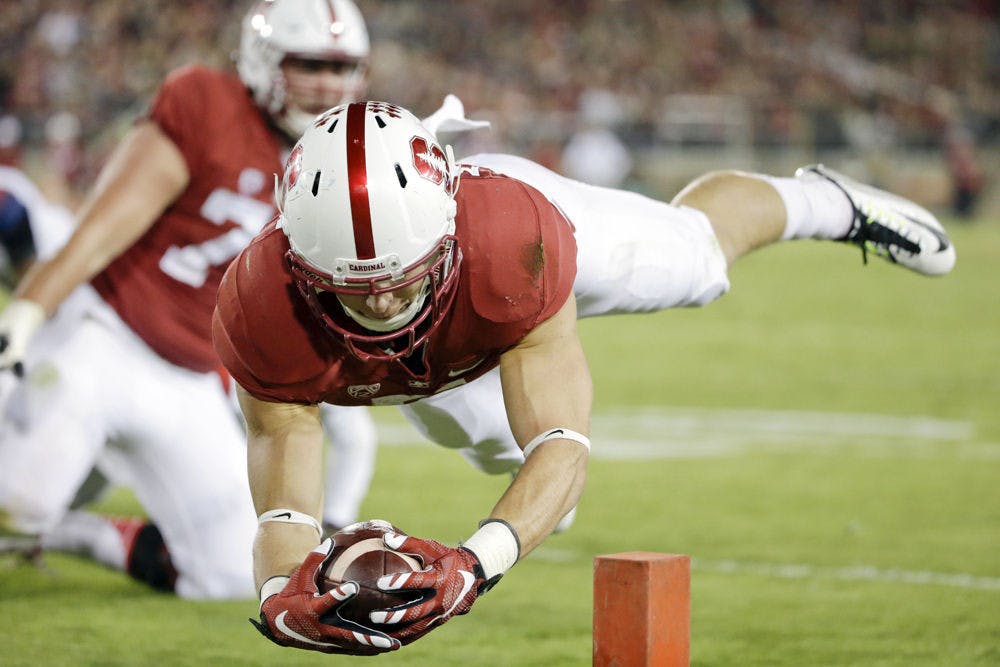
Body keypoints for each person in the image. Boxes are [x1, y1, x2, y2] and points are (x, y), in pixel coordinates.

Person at [212, 101, 955, 653]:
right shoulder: (260, 304)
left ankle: (828, 202)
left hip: (516, 273)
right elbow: (286, 504)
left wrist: (475, 565)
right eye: (351, 285)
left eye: (400, 279)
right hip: (433, 372)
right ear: (298, 263)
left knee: (691, 261)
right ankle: (517, 494)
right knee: (488, 451)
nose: (379, 299)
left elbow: (564, 440)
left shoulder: (511, 241)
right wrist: (282, 595)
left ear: (441, 234)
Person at [0, 0, 379, 599]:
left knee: (235, 571)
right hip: (103, 335)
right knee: (15, 504)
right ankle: (32, 522)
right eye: (309, 64)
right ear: (264, 60)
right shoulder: (206, 102)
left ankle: (71, 536)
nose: (328, 83)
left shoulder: (334, 158)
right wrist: (32, 305)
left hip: (192, 379)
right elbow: (105, 223)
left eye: (341, 67)